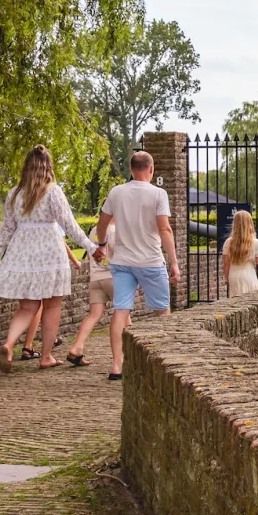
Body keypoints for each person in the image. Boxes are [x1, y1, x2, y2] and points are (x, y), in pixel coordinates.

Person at [0, 145, 96, 372]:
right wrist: (90, 246)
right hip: (49, 251)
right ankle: (45, 356)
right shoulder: (53, 191)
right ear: (48, 167)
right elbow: (69, 225)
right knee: (52, 305)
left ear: (27, 166)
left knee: (27, 306)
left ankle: (9, 344)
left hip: (22, 251)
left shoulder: (15, 193)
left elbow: (6, 228)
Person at [93, 150, 180, 381]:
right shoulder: (158, 194)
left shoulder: (117, 192)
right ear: (151, 169)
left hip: (122, 261)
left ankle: (116, 366)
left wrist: (101, 244)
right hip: (150, 261)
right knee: (162, 311)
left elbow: (102, 224)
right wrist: (174, 263)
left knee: (121, 310)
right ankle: (166, 361)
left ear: (131, 170)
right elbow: (165, 229)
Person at [64, 226, 112, 367]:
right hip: (113, 276)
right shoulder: (117, 229)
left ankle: (77, 347)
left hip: (96, 277)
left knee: (93, 315)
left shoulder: (94, 230)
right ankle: (130, 351)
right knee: (123, 313)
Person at [221, 209, 258, 298]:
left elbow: (226, 263)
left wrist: (227, 278)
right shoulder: (255, 242)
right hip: (248, 274)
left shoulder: (228, 242)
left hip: (233, 274)